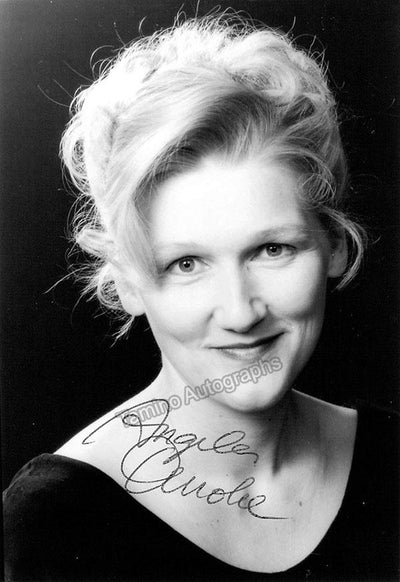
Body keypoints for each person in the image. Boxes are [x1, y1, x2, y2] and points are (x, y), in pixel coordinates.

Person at [3, 13, 398, 582]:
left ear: (333, 245)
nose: (240, 312)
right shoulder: (59, 521)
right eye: (186, 264)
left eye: (272, 250)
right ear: (128, 283)